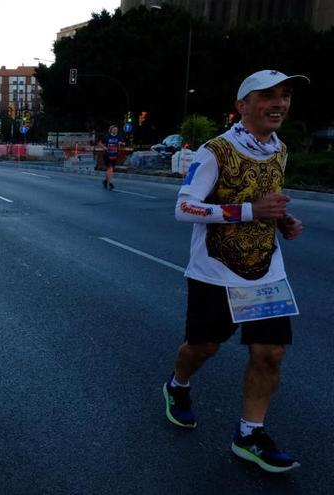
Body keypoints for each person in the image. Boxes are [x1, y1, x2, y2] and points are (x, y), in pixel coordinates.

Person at [163, 69, 308, 473]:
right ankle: (177, 384)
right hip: (215, 272)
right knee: (204, 348)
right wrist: (250, 211)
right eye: (267, 96)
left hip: (266, 273)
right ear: (242, 106)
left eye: (285, 95)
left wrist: (282, 220)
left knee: (270, 353)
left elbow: (263, 200)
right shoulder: (214, 151)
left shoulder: (279, 149)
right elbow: (184, 207)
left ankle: (249, 434)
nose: (279, 103)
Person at [98, 124, 124, 190]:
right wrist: (104, 147)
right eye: (114, 129)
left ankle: (105, 181)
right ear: (111, 130)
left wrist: (121, 143)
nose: (115, 130)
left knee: (110, 170)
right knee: (110, 169)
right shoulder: (107, 136)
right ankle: (110, 183)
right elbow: (100, 143)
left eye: (116, 129)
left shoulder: (119, 136)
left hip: (115, 155)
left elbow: (123, 143)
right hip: (107, 155)